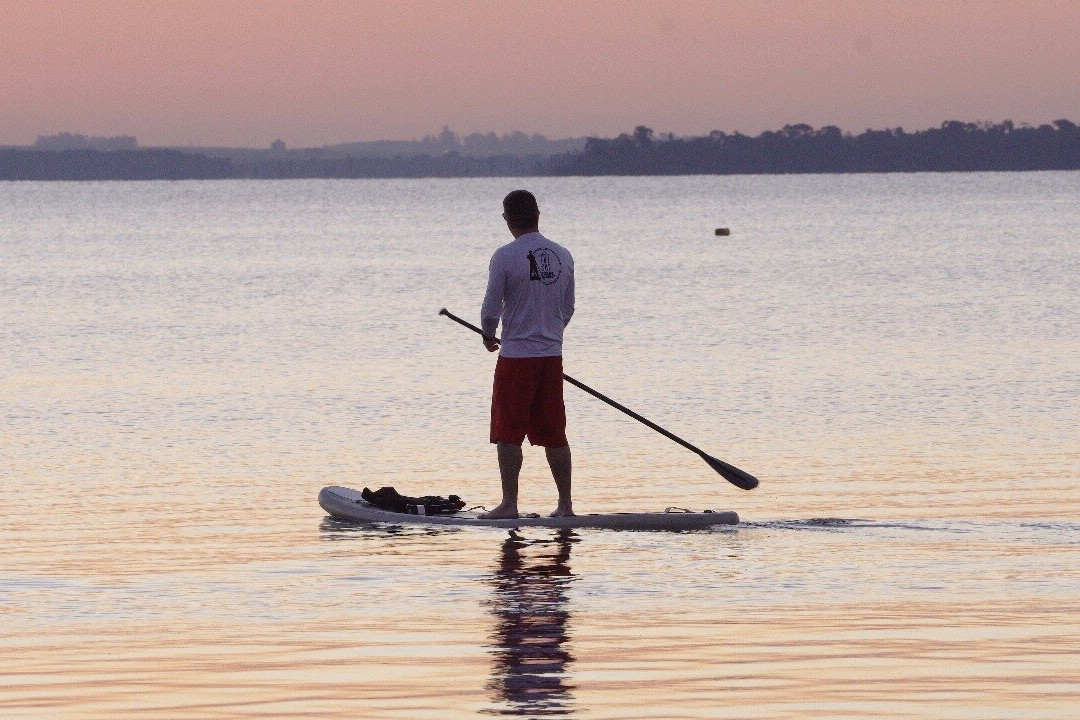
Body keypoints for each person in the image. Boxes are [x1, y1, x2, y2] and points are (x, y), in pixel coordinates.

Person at [479, 190, 575, 519]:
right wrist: (550, 335)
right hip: (552, 357)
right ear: (537, 215)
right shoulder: (563, 255)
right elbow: (568, 308)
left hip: (516, 357)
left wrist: (489, 335)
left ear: (509, 219)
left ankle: (509, 504)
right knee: (554, 432)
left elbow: (492, 307)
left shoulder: (504, 256)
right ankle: (565, 506)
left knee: (508, 431)